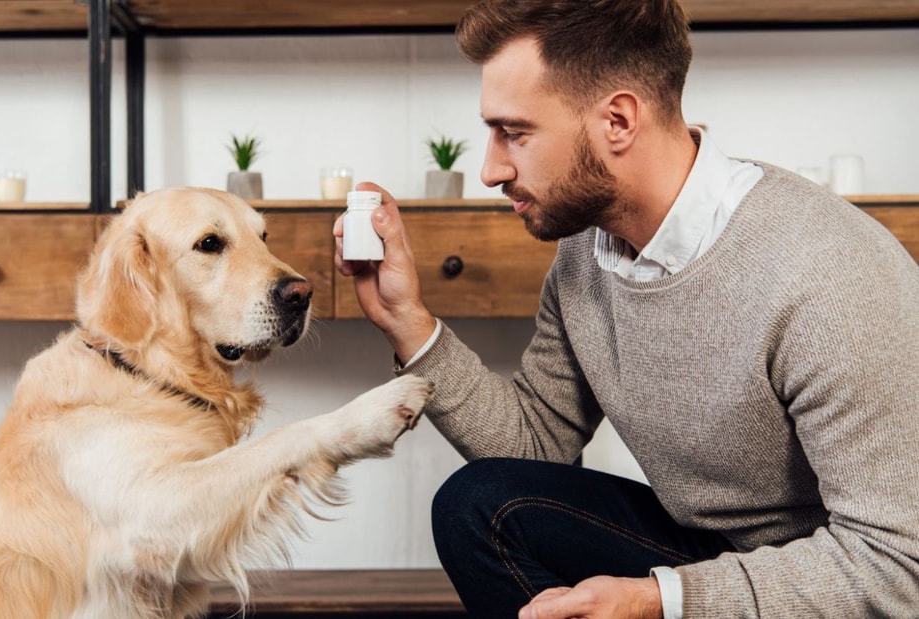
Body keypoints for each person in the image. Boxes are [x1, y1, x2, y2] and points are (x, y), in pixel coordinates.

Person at [332, 0, 919, 617]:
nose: (490, 168)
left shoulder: (827, 275)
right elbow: (535, 448)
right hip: (712, 551)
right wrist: (407, 319)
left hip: (835, 577)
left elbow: (899, 566)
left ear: (617, 121)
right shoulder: (589, 253)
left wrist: (663, 600)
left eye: (515, 132)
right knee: (480, 503)